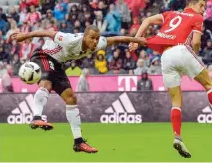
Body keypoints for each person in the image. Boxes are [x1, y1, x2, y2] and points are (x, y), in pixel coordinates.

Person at [129, 0, 212, 158]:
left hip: (165, 56)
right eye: (202, 6)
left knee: (176, 102)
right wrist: (194, 57)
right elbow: (196, 42)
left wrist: (136, 40)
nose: (203, 10)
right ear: (193, 4)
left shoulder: (171, 14)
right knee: (208, 85)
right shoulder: (197, 17)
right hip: (182, 50)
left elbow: (147, 20)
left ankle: (177, 137)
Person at [10, 26, 146, 153]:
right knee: (46, 84)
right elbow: (48, 33)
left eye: (97, 39)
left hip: (58, 64)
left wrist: (136, 40)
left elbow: (116, 39)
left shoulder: (97, 44)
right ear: (84, 36)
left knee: (71, 98)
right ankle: (36, 117)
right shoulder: (70, 40)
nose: (95, 41)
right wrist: (24, 36)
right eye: (92, 38)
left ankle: (78, 142)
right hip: (44, 56)